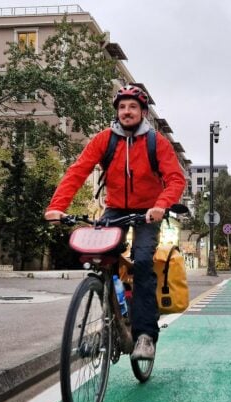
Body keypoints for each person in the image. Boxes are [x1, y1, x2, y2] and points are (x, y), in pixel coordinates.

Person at [44, 85, 186, 361]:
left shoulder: (157, 142)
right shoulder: (104, 140)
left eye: (132, 107)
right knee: (100, 257)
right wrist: (57, 208)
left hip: (148, 211)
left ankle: (145, 336)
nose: (126, 111)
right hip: (115, 208)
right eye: (122, 107)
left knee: (143, 261)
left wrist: (160, 205)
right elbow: (77, 171)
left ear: (143, 112)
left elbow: (176, 179)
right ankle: (112, 317)